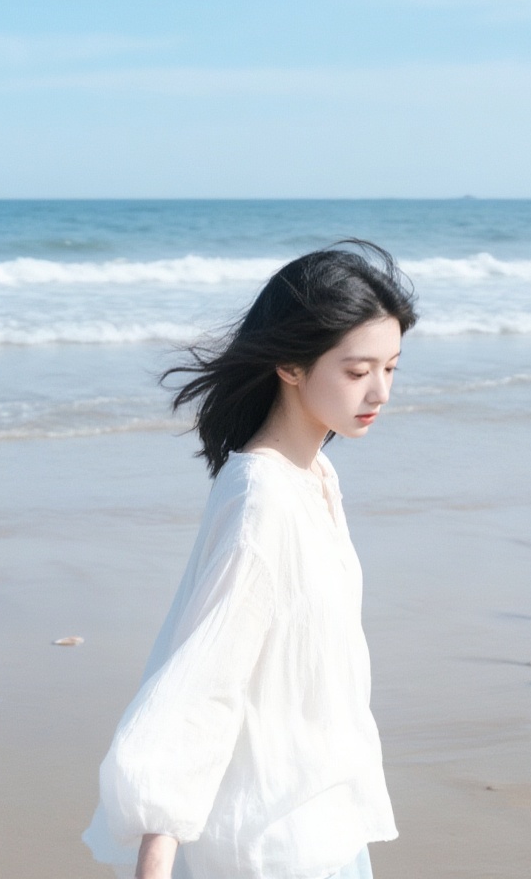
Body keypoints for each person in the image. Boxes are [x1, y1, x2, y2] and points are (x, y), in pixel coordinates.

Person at [83, 242, 418, 879]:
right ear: (290, 365)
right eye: (356, 371)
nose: (380, 391)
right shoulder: (262, 500)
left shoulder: (313, 475)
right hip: (268, 848)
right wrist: (155, 860)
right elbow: (199, 683)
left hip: (318, 818)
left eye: (392, 367)